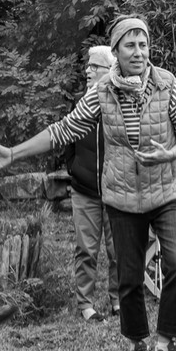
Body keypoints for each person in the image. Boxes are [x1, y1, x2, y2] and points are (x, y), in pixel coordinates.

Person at [0, 15, 176, 351]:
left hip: (169, 188)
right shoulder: (102, 91)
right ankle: (138, 343)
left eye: (143, 44)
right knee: (129, 278)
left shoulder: (167, 83)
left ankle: (164, 347)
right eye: (130, 45)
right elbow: (63, 130)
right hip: (122, 195)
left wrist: (170, 153)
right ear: (115, 51)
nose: (139, 52)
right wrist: (14, 153)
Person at [61, 45, 118, 322]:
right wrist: (73, 169)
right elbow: (67, 140)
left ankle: (119, 300)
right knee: (86, 249)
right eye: (88, 66)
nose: (88, 70)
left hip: (115, 190)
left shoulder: (119, 103)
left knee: (118, 249)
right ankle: (86, 305)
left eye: (94, 67)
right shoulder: (79, 105)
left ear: (110, 71)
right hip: (84, 191)